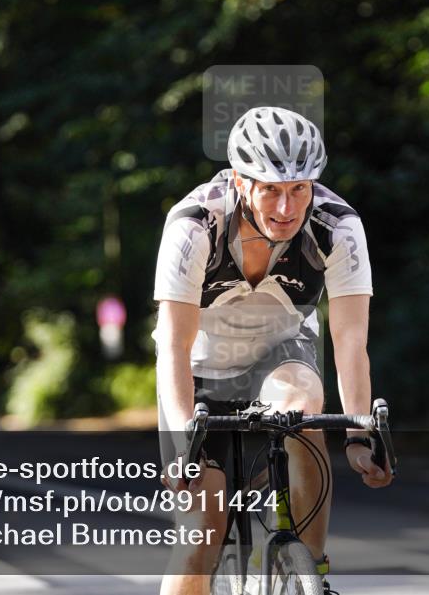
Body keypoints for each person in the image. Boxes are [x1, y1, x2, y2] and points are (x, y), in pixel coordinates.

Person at [154, 107, 393, 595]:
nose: (286, 208)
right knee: (204, 521)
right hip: (198, 366)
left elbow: (350, 341)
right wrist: (184, 445)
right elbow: (174, 345)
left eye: (299, 189)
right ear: (241, 181)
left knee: (303, 414)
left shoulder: (337, 226)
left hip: (281, 350)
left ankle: (311, 570)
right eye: (271, 189)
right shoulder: (194, 225)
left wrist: (358, 434)